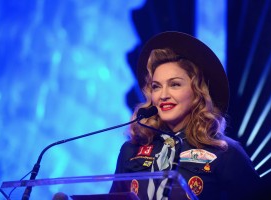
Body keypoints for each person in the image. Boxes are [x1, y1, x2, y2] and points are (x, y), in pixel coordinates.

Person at [109, 32, 261, 200]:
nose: (163, 95)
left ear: (197, 92)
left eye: (175, 84)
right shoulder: (131, 150)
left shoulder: (226, 153)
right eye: (156, 87)